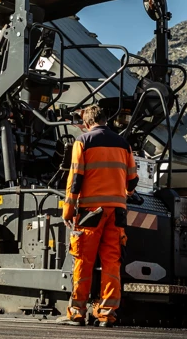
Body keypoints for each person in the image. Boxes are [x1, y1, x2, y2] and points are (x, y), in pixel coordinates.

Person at [57, 105, 138, 328]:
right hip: (117, 212)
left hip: (90, 213)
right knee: (112, 262)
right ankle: (106, 314)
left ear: (87, 122)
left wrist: (68, 210)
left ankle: (77, 312)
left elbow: (75, 180)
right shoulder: (124, 144)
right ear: (105, 119)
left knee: (83, 260)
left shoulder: (83, 141)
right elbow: (133, 181)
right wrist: (124, 195)